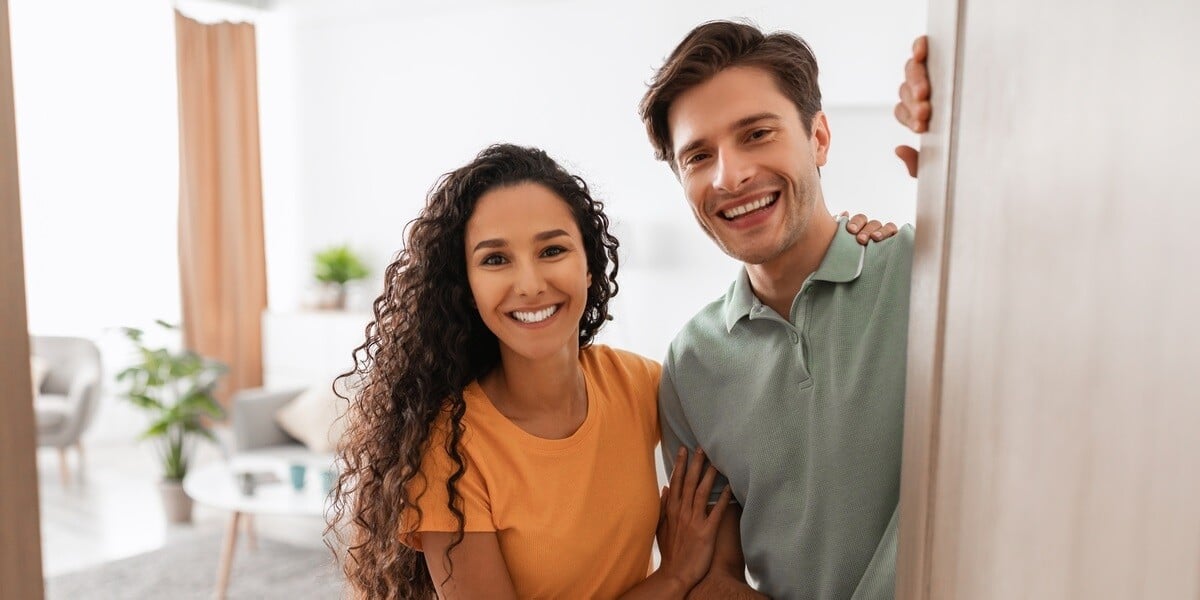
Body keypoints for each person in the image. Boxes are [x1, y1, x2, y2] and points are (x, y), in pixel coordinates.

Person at [327, 143, 896, 599]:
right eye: (496, 259)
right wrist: (671, 579)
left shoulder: (641, 384)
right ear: (465, 285)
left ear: (589, 263)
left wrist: (842, 243)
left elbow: (758, 395)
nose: (529, 283)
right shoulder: (449, 451)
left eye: (552, 250)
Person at [637, 21, 929, 599]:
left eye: (757, 134)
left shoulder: (924, 273)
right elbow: (715, 578)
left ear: (818, 138)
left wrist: (963, 130)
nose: (731, 175)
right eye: (698, 156)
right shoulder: (692, 363)